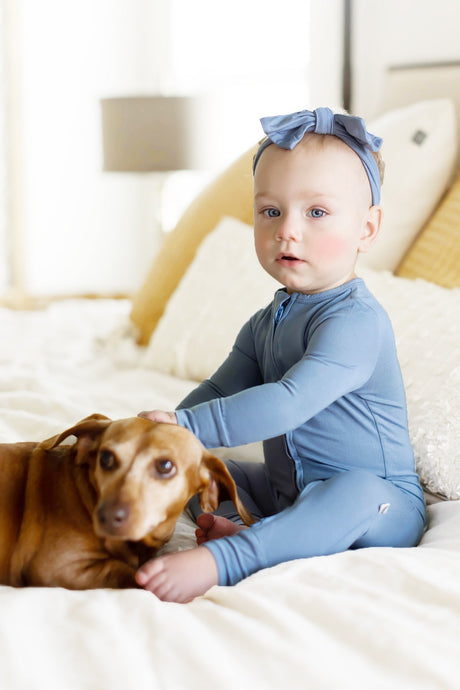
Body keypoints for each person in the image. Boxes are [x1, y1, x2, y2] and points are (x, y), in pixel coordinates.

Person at [135, 107, 427, 603]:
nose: (287, 230)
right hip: (286, 492)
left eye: (316, 212)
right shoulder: (266, 322)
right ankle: (254, 530)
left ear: (368, 229)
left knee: (353, 490)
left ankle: (229, 558)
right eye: (270, 211)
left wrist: (189, 428)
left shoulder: (355, 321)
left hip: (379, 506)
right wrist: (169, 436)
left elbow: (290, 401)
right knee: (200, 473)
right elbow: (219, 390)